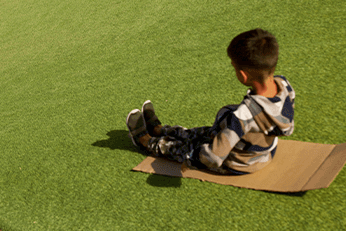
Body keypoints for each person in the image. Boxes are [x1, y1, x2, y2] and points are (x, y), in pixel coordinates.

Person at [125, 28, 295, 175]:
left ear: (243, 75)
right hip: (260, 151)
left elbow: (213, 157)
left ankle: (145, 140)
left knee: (184, 148)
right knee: (199, 133)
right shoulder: (284, 85)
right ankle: (159, 129)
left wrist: (191, 159)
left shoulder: (243, 116)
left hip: (238, 163)